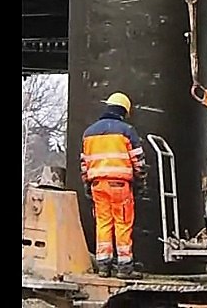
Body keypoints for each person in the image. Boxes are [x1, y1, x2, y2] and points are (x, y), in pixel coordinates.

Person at [80, 92, 148, 277]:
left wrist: (88, 183)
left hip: (97, 185)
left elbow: (84, 163)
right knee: (122, 223)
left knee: (103, 223)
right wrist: (141, 181)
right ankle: (125, 267)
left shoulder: (89, 133)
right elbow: (138, 160)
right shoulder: (126, 131)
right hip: (119, 184)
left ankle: (103, 266)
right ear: (124, 110)